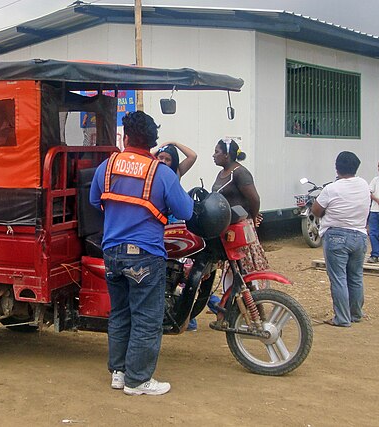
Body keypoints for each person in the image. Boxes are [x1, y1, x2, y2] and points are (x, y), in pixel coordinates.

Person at [89, 111, 193, 396]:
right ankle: (138, 380)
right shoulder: (160, 172)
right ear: (152, 140)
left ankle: (119, 374)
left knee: (120, 314)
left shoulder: (107, 167)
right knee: (146, 317)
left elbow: (93, 200)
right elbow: (186, 211)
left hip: (111, 253)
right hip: (145, 255)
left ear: (127, 136)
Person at [208, 138, 269, 329]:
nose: (214, 154)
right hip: (227, 230)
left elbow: (254, 198)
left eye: (217, 151)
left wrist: (252, 216)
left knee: (244, 273)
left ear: (227, 154)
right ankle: (226, 316)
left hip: (240, 230)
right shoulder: (223, 173)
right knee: (233, 274)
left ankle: (257, 317)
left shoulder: (240, 173)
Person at [311, 151, 370, 327]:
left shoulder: (332, 188)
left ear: (337, 167)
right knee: (356, 276)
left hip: (336, 236)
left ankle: (342, 318)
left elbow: (316, 210)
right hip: (359, 236)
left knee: (338, 278)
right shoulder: (363, 184)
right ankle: (356, 313)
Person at [151, 141, 198, 331]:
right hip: (160, 226)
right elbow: (146, 154)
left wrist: (173, 143)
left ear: (174, 161)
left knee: (181, 269)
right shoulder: (153, 172)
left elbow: (193, 156)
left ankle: (188, 316)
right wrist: (161, 147)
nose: (162, 161)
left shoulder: (175, 173)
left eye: (167, 159)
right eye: (160, 158)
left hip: (174, 226)